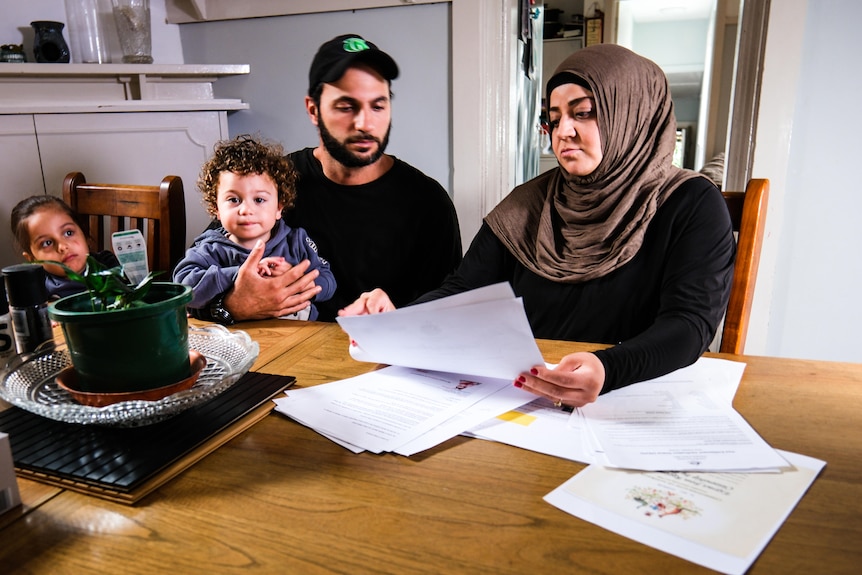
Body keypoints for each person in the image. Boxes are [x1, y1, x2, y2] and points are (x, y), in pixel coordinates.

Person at [340, 44, 736, 408]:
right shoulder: (528, 202)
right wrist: (396, 323)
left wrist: (608, 369)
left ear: (631, 113)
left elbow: (688, 325)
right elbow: (463, 291)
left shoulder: (691, 203)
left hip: (628, 401)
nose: (562, 132)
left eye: (583, 113)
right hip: (515, 399)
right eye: (554, 118)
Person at [194, 34, 462, 324]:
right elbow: (188, 286)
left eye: (378, 106)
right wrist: (232, 305)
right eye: (346, 107)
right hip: (281, 353)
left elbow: (448, 315)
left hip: (385, 361)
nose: (364, 123)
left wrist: (400, 319)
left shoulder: (428, 202)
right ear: (313, 109)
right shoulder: (269, 182)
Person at [174, 135, 336, 321]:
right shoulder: (210, 249)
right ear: (216, 209)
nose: (246, 210)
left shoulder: (297, 241)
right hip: (241, 340)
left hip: (300, 337)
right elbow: (183, 288)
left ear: (278, 208)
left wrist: (297, 278)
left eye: (259, 200)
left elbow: (327, 279)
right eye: (233, 200)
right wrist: (238, 275)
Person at [10, 195, 120, 300]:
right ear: (32, 259)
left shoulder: (108, 264)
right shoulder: (36, 288)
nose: (62, 247)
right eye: (47, 243)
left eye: (68, 233)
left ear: (83, 233)